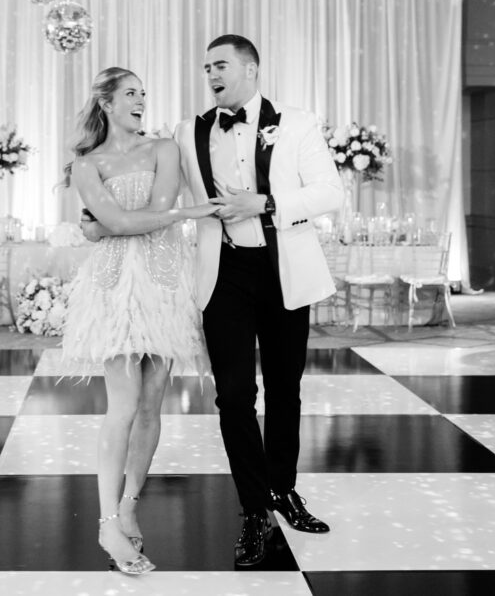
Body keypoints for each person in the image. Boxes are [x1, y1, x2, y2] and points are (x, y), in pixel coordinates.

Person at [175, 35, 343, 567]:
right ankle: (254, 509)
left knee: (285, 389)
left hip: (282, 272)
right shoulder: (190, 131)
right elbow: (154, 179)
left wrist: (266, 202)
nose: (211, 75)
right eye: (206, 68)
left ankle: (284, 489)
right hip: (222, 273)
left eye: (219, 65)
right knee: (233, 396)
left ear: (250, 69)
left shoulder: (296, 122)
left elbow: (329, 193)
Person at [61, 66, 217, 575]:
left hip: (165, 281)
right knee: (123, 405)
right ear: (106, 102)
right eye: (130, 94)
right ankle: (108, 522)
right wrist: (179, 218)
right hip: (115, 289)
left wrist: (107, 227)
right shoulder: (86, 165)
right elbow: (131, 221)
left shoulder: (163, 149)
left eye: (143, 94)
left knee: (152, 405)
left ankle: (130, 504)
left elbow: (149, 207)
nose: (140, 101)